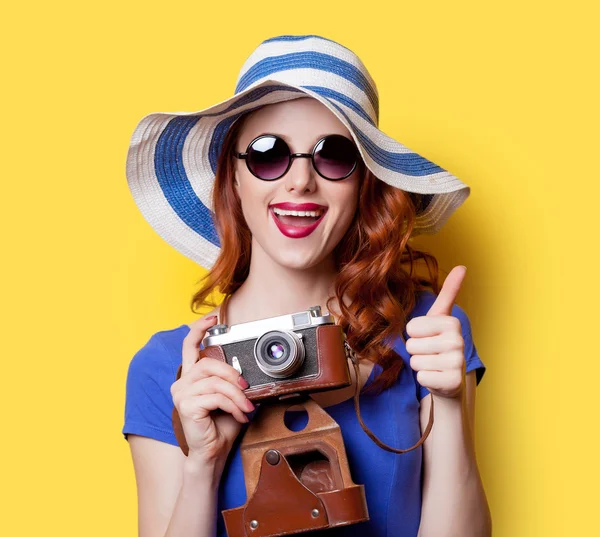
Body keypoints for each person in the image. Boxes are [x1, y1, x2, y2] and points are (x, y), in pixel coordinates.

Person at [122, 35, 491, 537]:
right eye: (268, 154)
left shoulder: (426, 333)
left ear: (365, 182)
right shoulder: (170, 368)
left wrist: (446, 403)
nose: (300, 182)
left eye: (333, 156)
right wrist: (202, 463)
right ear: (232, 180)